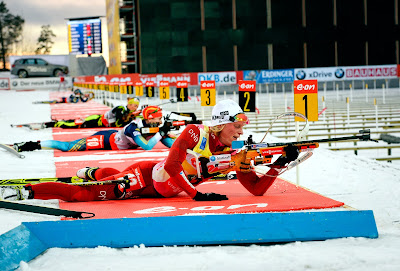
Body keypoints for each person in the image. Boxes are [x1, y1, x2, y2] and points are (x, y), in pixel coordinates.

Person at [1, 100, 299, 202]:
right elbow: (171, 167)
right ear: (221, 123)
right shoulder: (195, 133)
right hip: (147, 179)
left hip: (165, 190)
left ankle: (91, 172)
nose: (242, 131)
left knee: (105, 179)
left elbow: (257, 190)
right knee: (90, 194)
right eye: (237, 124)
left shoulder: (235, 153)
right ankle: (26, 192)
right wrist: (196, 194)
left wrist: (278, 164)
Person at [12, 105, 175, 152]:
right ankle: (31, 145)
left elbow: (170, 146)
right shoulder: (134, 127)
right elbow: (146, 147)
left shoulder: (155, 128)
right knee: (67, 147)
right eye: (158, 117)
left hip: (112, 136)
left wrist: (166, 134)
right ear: (149, 118)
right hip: (105, 140)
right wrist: (161, 133)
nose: (161, 120)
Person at [38, 97, 140, 129]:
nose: (135, 108)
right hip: (97, 120)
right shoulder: (121, 109)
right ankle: (54, 124)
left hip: (100, 122)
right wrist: (130, 119)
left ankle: (60, 121)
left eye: (137, 106)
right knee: (77, 125)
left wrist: (131, 118)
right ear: (129, 104)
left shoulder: (127, 112)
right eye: (134, 105)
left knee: (77, 122)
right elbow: (118, 124)